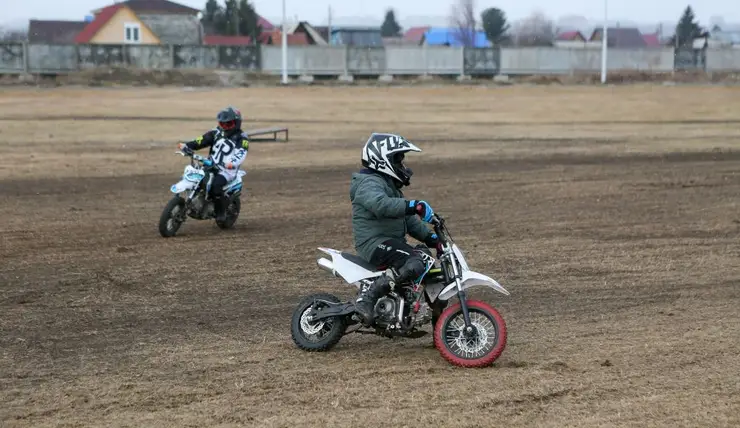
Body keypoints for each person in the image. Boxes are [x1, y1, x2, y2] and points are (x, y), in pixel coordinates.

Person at [349, 132, 441, 326]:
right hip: (374, 243)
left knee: (427, 260)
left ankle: (434, 325)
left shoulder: (390, 187)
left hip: (391, 243)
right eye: (398, 160)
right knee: (414, 262)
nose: (402, 166)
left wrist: (432, 238)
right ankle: (367, 299)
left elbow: (409, 222)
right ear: (382, 159)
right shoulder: (368, 183)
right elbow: (381, 205)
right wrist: (413, 205)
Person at [179, 107, 249, 223]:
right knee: (196, 178)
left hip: (226, 171)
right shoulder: (216, 132)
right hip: (210, 165)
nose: (225, 127)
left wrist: (232, 163)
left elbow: (241, 153)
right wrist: (188, 146)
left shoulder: (242, 138)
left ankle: (220, 212)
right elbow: (200, 141)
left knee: (216, 187)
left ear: (236, 123)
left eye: (228, 124)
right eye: (222, 124)